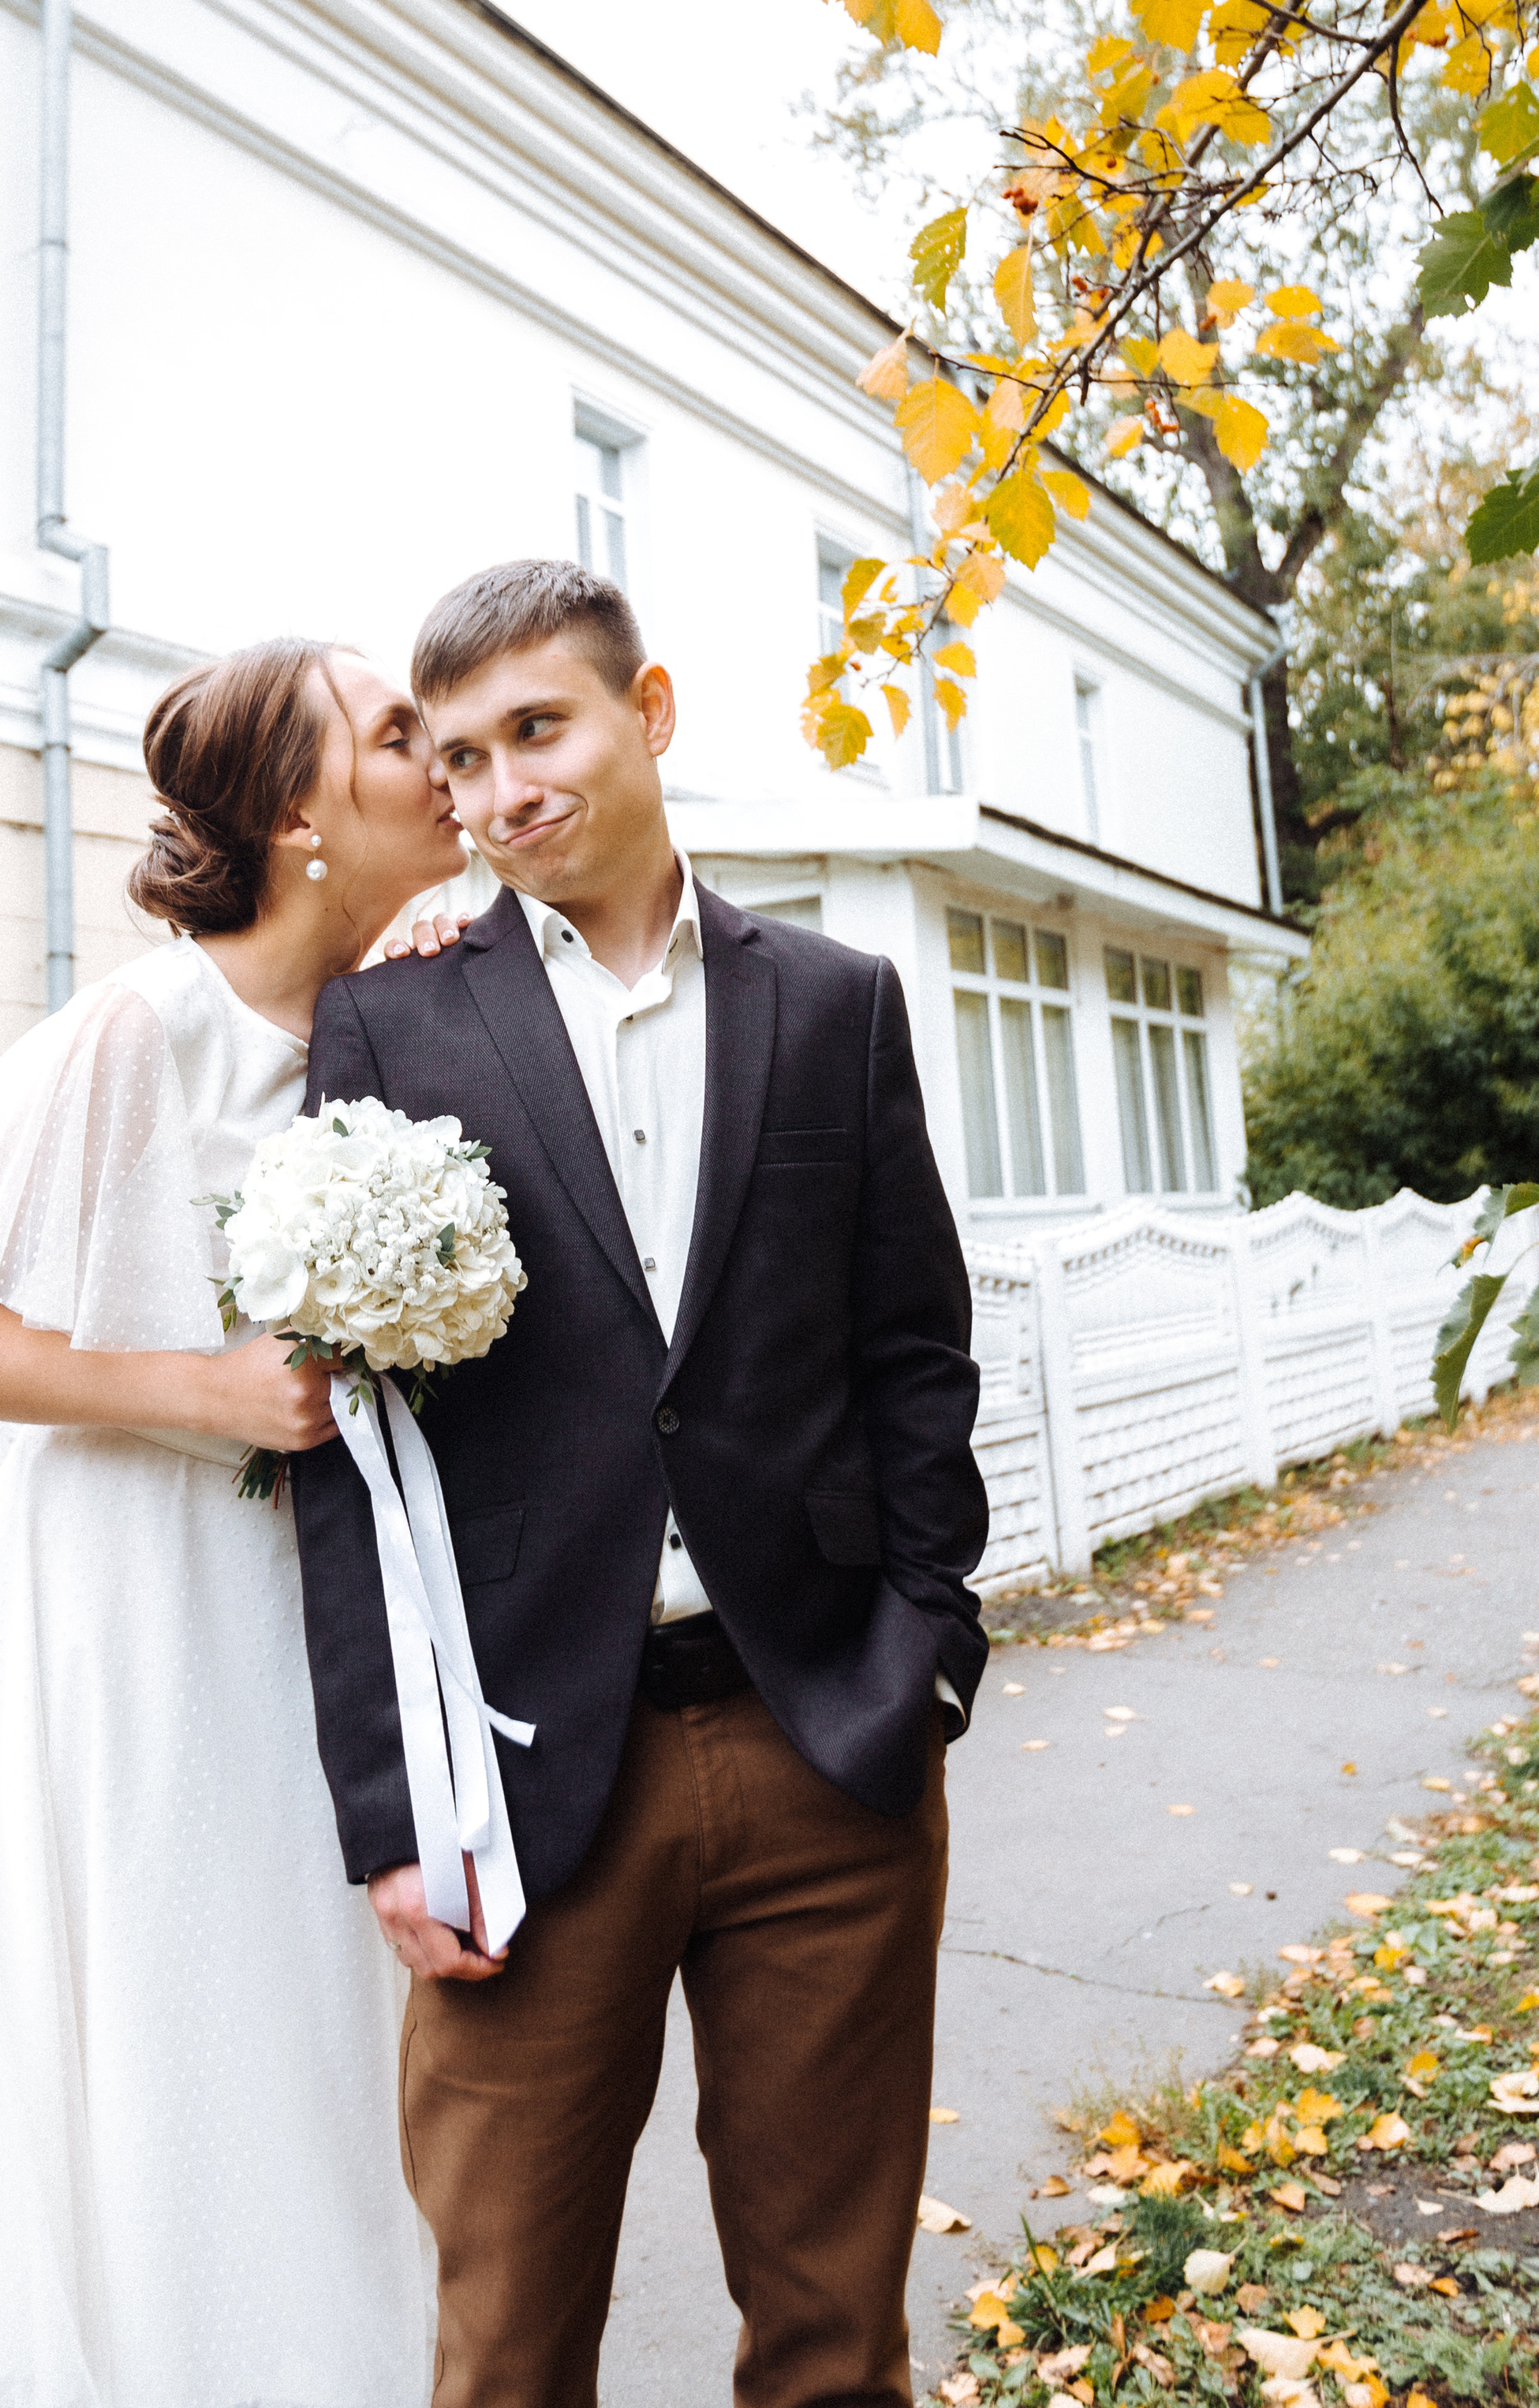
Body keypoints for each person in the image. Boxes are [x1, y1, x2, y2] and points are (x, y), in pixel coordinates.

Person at [290, 558, 988, 2408]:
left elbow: (912, 1355)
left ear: (647, 712)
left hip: (819, 1739)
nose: (503, 789)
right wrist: (389, 1804)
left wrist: (925, 1650)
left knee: (833, 2335)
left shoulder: (835, 1005)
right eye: (458, 759)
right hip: (521, 1785)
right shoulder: (390, 1026)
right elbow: (356, 1454)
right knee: (507, 2347)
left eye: (540, 728)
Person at [0, 640, 468, 2408]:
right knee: (180, 2011)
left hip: (292, 1609)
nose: (442, 755)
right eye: (398, 735)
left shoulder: (382, 1027)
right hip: (130, 1603)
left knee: (307, 2041)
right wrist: (209, 1397)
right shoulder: (139, 1026)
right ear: (298, 815)